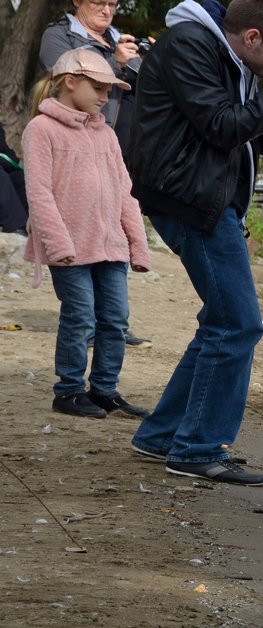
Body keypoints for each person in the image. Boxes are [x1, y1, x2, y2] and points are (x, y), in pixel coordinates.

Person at [126, 0, 263, 486]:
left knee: (222, 322)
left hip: (205, 200)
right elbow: (221, 127)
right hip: (192, 200)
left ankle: (163, 436)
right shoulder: (190, 46)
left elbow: (252, 139)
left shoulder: (228, 59)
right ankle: (197, 449)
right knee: (238, 324)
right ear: (253, 36)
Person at [22, 48, 152, 419]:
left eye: (108, 91)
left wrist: (137, 246)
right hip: (70, 247)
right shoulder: (40, 130)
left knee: (116, 319)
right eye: (98, 88)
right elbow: (39, 192)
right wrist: (57, 243)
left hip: (111, 246)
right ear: (69, 82)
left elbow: (125, 191)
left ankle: (105, 390)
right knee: (80, 317)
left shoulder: (107, 135)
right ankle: (68, 391)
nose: (104, 97)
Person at [41, 0, 152, 347]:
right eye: (98, 2)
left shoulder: (119, 38)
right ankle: (85, 322)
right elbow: (58, 74)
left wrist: (153, 61)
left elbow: (145, 89)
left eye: (112, 4)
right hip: (75, 146)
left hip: (117, 145)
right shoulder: (59, 36)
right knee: (81, 229)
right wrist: (113, 63)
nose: (107, 10)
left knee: (113, 230)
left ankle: (111, 322)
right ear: (77, 1)